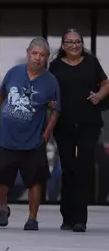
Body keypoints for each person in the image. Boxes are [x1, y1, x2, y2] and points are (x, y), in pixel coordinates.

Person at [0, 37, 60, 231]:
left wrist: (47, 132)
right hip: (6, 138)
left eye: (42, 55)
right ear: (28, 53)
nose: (37, 58)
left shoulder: (50, 82)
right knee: (0, 178)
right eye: (34, 54)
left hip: (33, 141)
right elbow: (0, 96)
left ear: (46, 58)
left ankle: (32, 219)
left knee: (35, 181)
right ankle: (3, 208)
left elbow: (57, 109)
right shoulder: (13, 73)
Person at [48, 29, 109, 232]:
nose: (74, 45)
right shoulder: (55, 66)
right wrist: (50, 102)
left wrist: (100, 96)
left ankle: (80, 219)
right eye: (70, 42)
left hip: (88, 124)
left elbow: (106, 83)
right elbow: (49, 89)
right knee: (68, 170)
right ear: (63, 45)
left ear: (82, 44)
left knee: (83, 170)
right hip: (63, 125)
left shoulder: (92, 62)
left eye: (78, 42)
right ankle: (67, 217)